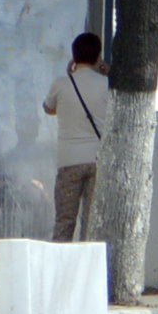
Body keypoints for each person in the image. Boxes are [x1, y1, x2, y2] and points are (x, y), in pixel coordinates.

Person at [41, 33, 110, 242]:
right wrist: (109, 74)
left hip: (69, 160)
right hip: (97, 159)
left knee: (65, 220)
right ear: (98, 56)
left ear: (74, 57)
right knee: (91, 222)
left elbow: (48, 108)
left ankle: (59, 269)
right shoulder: (107, 84)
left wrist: (69, 78)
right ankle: (88, 270)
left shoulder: (61, 84)